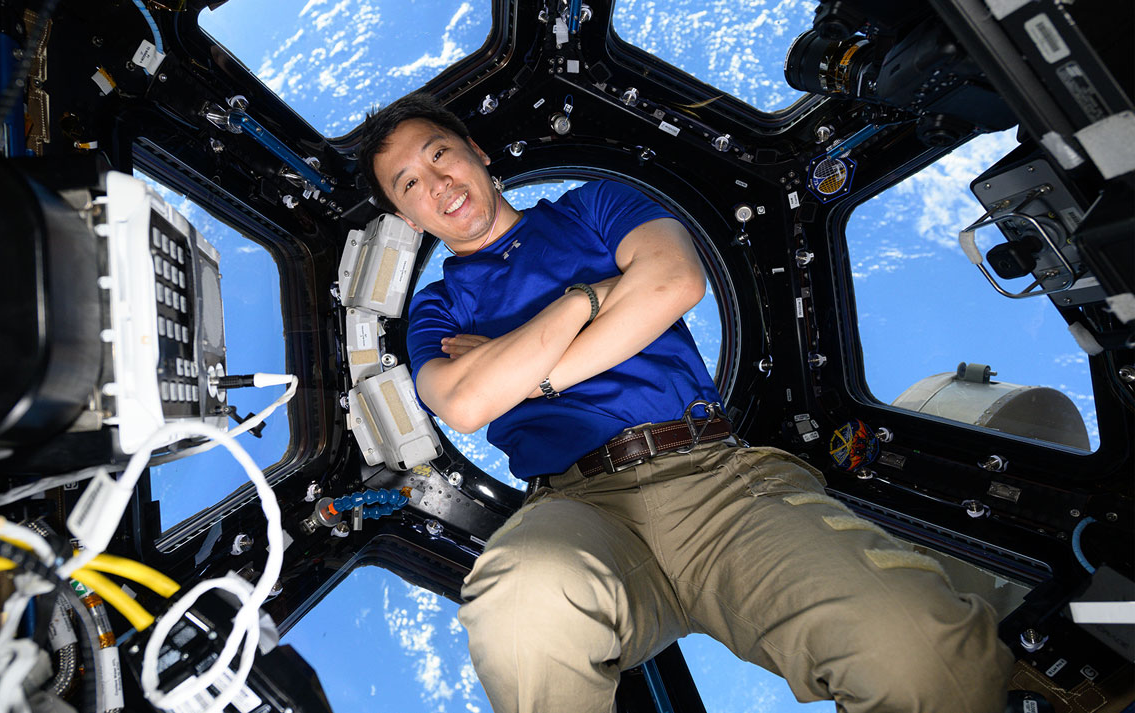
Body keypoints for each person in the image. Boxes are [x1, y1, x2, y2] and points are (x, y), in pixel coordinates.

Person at [359, 92, 1014, 713]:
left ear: (477, 151)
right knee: (520, 601)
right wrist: (589, 298)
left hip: (720, 484)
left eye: (438, 154)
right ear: (409, 219)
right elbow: (468, 404)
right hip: (578, 510)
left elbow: (674, 281)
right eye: (409, 184)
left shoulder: (595, 206)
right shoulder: (435, 310)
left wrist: (524, 371)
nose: (436, 184)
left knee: (922, 654)